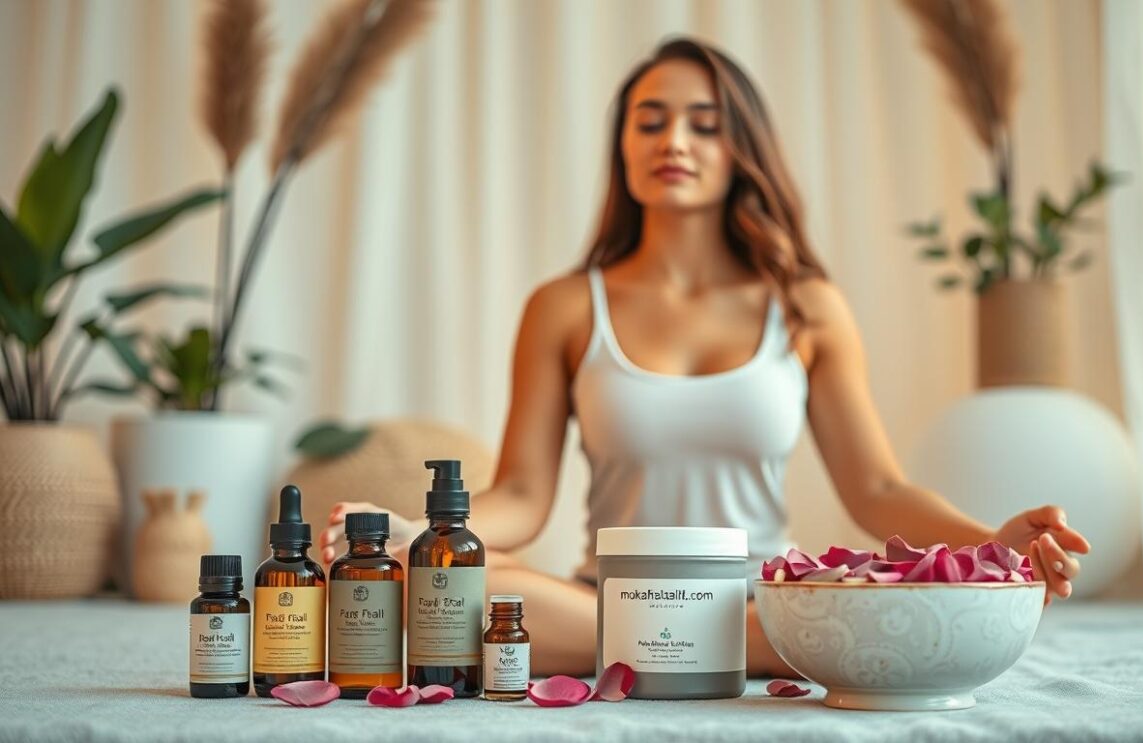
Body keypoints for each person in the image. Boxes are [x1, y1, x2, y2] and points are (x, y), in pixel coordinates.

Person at [320, 36, 1090, 678]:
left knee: (857, 594)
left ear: (740, 147)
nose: (674, 141)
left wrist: (988, 544)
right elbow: (522, 495)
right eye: (649, 122)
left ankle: (732, 641)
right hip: (608, 601)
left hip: (768, 595)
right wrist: (414, 532)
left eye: (704, 123)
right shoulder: (561, 306)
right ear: (623, 146)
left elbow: (878, 487)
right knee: (455, 588)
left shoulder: (808, 304)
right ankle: (765, 653)